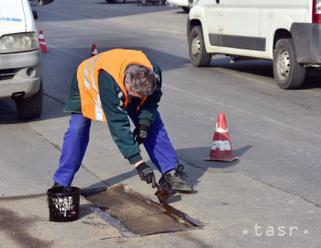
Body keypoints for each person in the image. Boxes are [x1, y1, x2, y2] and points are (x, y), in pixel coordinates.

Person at [52, 48, 193, 193]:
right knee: (78, 128)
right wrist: (138, 163)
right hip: (87, 82)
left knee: (153, 122)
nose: (134, 100)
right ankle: (62, 182)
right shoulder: (108, 80)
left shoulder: (154, 73)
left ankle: (170, 171)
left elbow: (150, 103)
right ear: (126, 82)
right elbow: (118, 125)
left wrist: (144, 124)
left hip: (121, 85)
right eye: (134, 96)